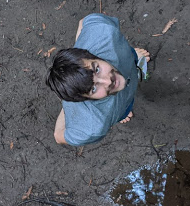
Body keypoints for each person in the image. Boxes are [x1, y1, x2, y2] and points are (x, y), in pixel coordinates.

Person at [46, 13, 150, 146]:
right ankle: (122, 112)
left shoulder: (103, 32)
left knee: (129, 56)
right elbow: (58, 135)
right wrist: (68, 105)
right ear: (83, 99)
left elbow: (83, 21)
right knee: (122, 110)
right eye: (93, 89)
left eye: (97, 69)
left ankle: (133, 62)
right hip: (118, 107)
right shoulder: (92, 126)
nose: (108, 81)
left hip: (120, 57)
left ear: (89, 55)